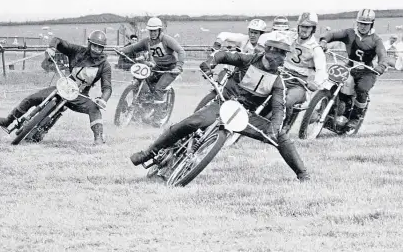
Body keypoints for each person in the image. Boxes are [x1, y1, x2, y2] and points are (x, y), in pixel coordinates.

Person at [129, 36, 310, 182]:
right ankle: (148, 153)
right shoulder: (248, 60)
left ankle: (303, 174)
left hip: (244, 115)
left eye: (285, 55)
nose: (283, 59)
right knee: (192, 122)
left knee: (282, 138)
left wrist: (274, 128)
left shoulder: (278, 81)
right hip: (222, 103)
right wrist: (209, 64)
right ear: (271, 52)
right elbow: (222, 55)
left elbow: (279, 107)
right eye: (282, 55)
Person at [0, 30, 112, 144]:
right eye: (94, 46)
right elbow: (57, 40)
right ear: (89, 44)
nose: (96, 50)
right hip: (63, 88)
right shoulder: (78, 51)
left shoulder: (104, 65)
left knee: (94, 109)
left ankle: (98, 137)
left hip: (79, 95)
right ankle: (8, 121)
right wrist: (52, 48)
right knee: (32, 98)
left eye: (100, 47)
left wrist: (103, 99)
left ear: (103, 49)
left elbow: (107, 87)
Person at [318, 9, 389, 130]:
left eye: (366, 24)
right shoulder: (350, 33)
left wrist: (380, 66)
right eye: (360, 23)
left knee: (362, 89)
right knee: (334, 81)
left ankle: (355, 118)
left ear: (371, 24)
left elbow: (383, 55)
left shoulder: (376, 40)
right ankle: (327, 110)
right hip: (350, 66)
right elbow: (333, 34)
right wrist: (324, 40)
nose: (362, 26)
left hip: (367, 71)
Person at [119, 17, 185, 126]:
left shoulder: (166, 40)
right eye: (151, 31)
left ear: (160, 30)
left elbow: (181, 51)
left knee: (159, 89)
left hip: (170, 69)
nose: (153, 33)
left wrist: (179, 66)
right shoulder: (147, 42)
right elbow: (134, 47)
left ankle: (158, 119)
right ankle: (139, 112)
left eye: (155, 30)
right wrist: (122, 50)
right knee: (141, 82)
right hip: (157, 67)